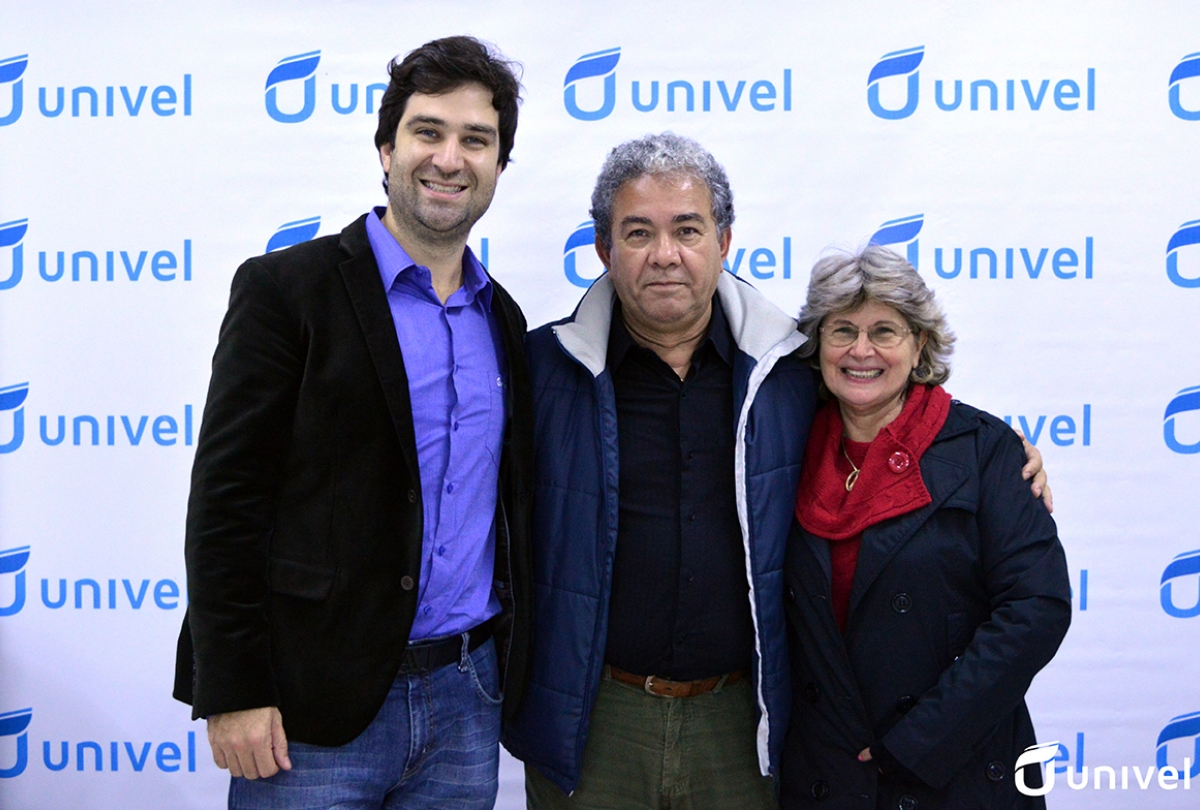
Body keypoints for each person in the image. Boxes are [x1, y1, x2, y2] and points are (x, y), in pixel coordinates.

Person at [503, 135, 1047, 809]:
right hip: (593, 723)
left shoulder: (787, 372)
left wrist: (998, 456)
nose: (664, 254)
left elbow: (891, 408)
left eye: (687, 230)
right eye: (638, 232)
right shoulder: (538, 372)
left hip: (744, 728)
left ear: (724, 242)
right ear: (603, 250)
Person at [172, 36, 534, 809]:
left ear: (500, 165)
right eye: (428, 131)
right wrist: (232, 687)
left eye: (476, 140)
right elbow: (227, 504)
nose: (450, 158)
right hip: (311, 707)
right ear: (386, 148)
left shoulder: (503, 319)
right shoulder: (287, 291)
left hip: (466, 700)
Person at [780, 245, 1071, 809]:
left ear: (919, 345)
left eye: (884, 331)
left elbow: (1036, 607)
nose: (861, 350)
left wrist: (920, 742)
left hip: (954, 768)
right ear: (817, 346)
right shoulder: (780, 445)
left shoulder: (984, 450)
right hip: (823, 771)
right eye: (843, 331)